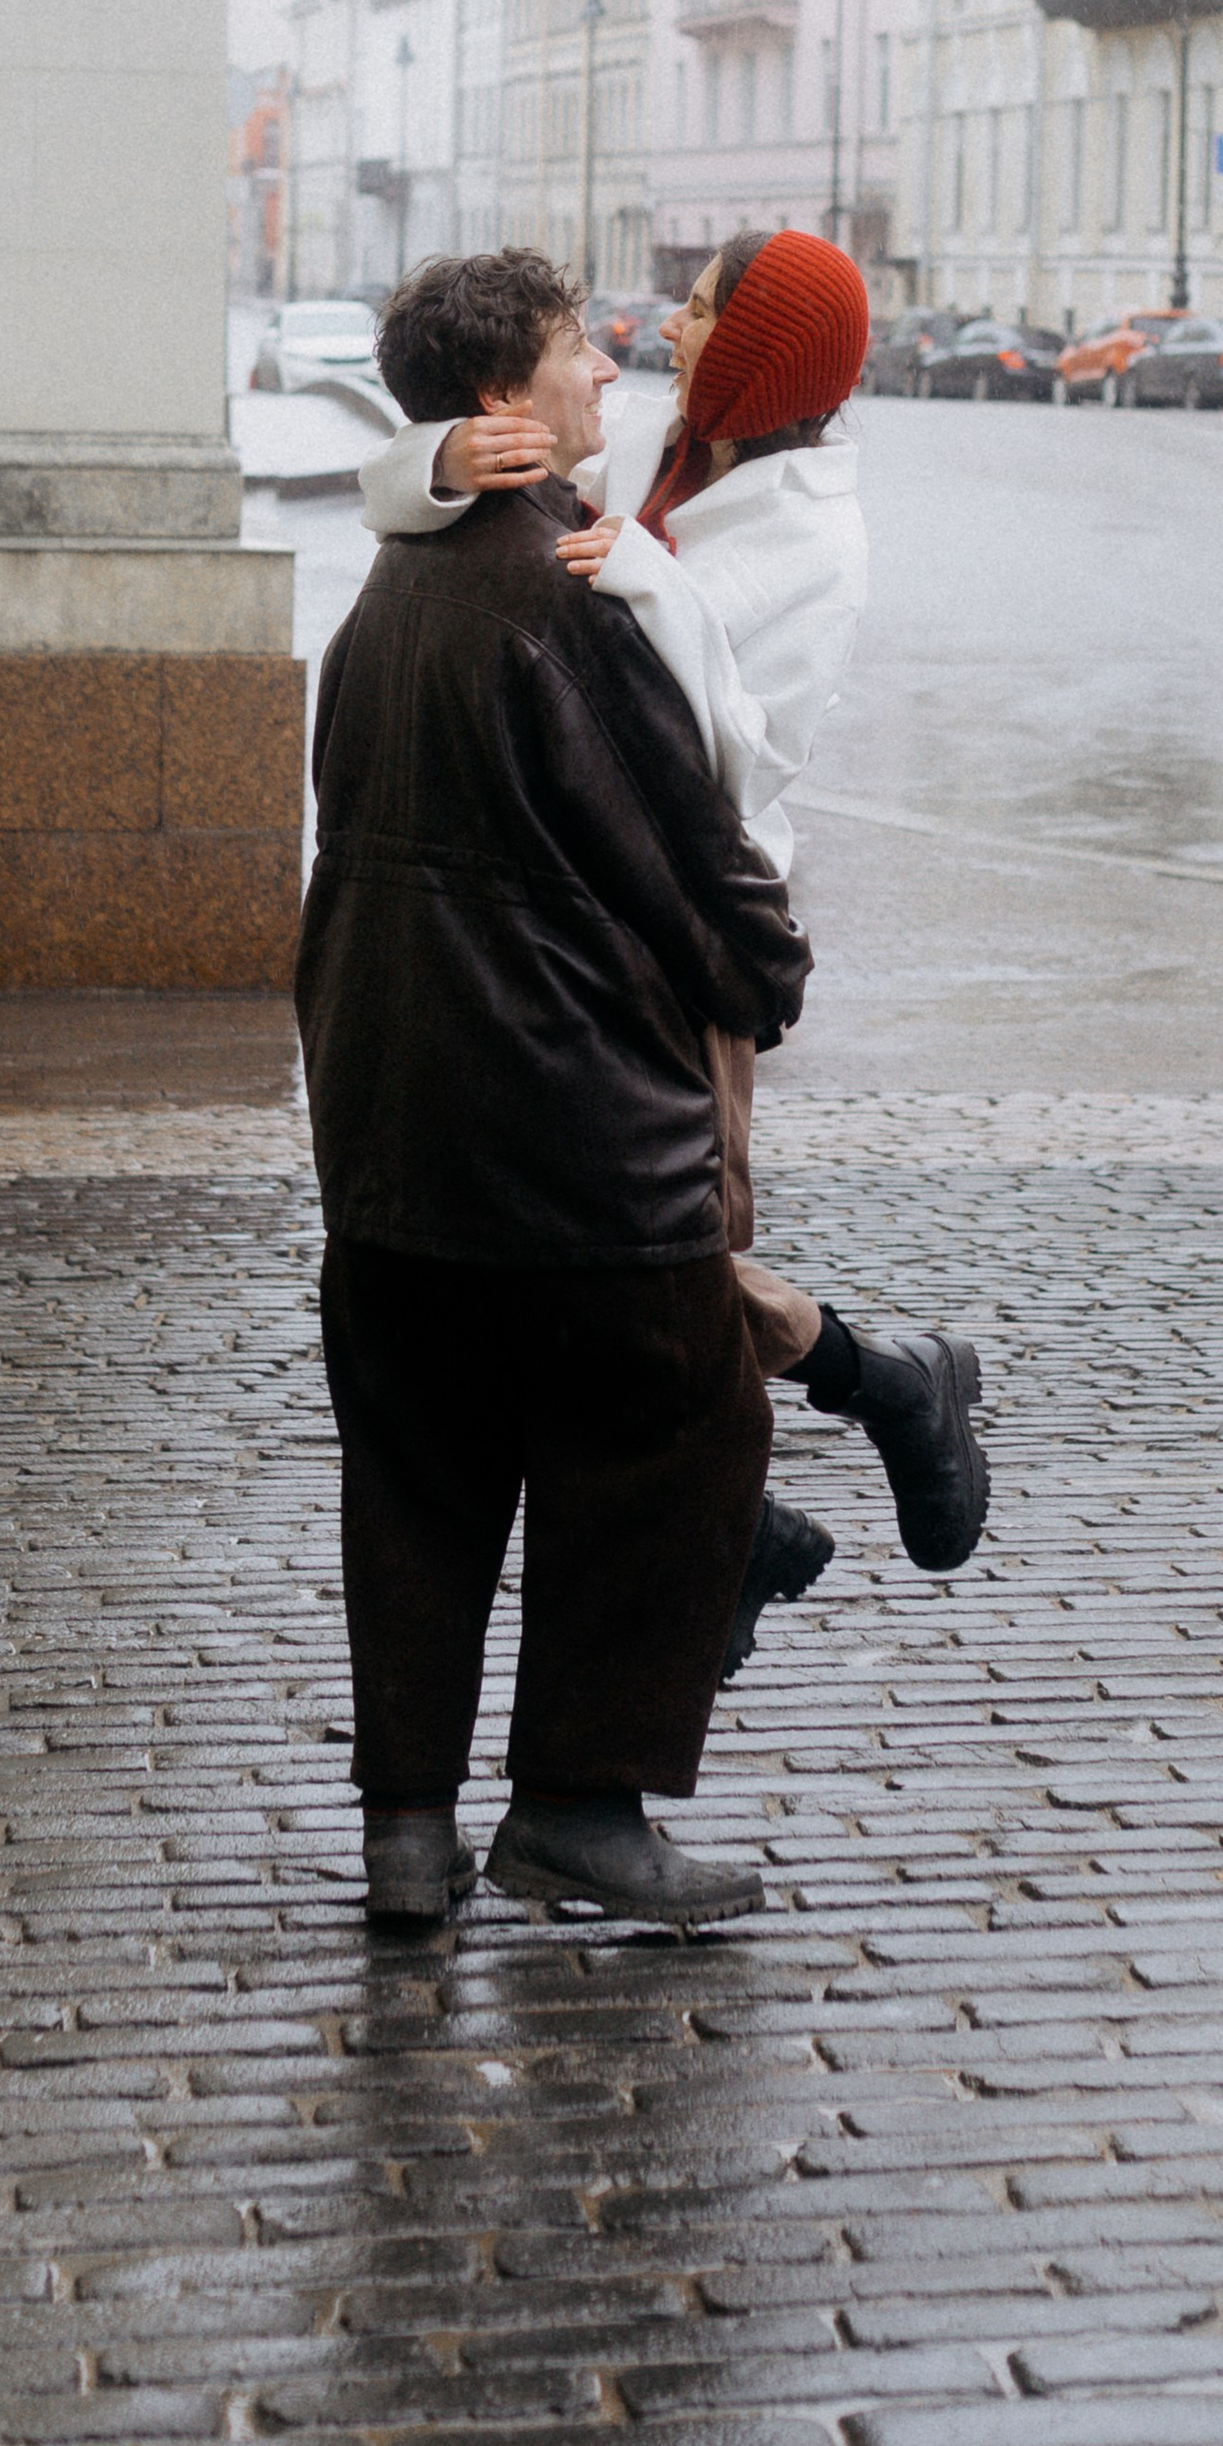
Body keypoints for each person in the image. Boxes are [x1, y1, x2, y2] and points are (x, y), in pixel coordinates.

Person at [358, 228, 989, 1665]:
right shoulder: (637, 427)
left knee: (637, 1264)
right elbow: (398, 489)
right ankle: (843, 1410)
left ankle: (776, 1477)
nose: (670, 329)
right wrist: (447, 465)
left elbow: (737, 761)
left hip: (686, 939)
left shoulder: (820, 541)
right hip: (559, 907)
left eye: (706, 311)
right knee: (597, 1266)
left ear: (765, 352)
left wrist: (647, 582)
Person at [298, 249, 813, 1930]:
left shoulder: (383, 595)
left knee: (422, 1469)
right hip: (577, 1126)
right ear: (506, 400)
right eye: (581, 348)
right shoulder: (568, 590)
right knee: (676, 1435)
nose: (609, 374)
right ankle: (583, 1809)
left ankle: (407, 1832)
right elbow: (683, 844)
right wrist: (764, 979)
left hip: (386, 1123)